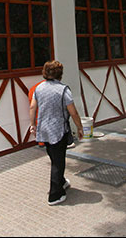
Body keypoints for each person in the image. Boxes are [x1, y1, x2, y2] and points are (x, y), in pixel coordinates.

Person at [29, 60, 83, 206]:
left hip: (43, 129)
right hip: (58, 130)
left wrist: (33, 124)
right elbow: (73, 112)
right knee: (58, 162)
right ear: (60, 74)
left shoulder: (38, 88)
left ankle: (62, 182)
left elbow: (32, 107)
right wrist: (79, 127)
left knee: (54, 157)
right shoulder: (63, 90)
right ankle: (55, 195)